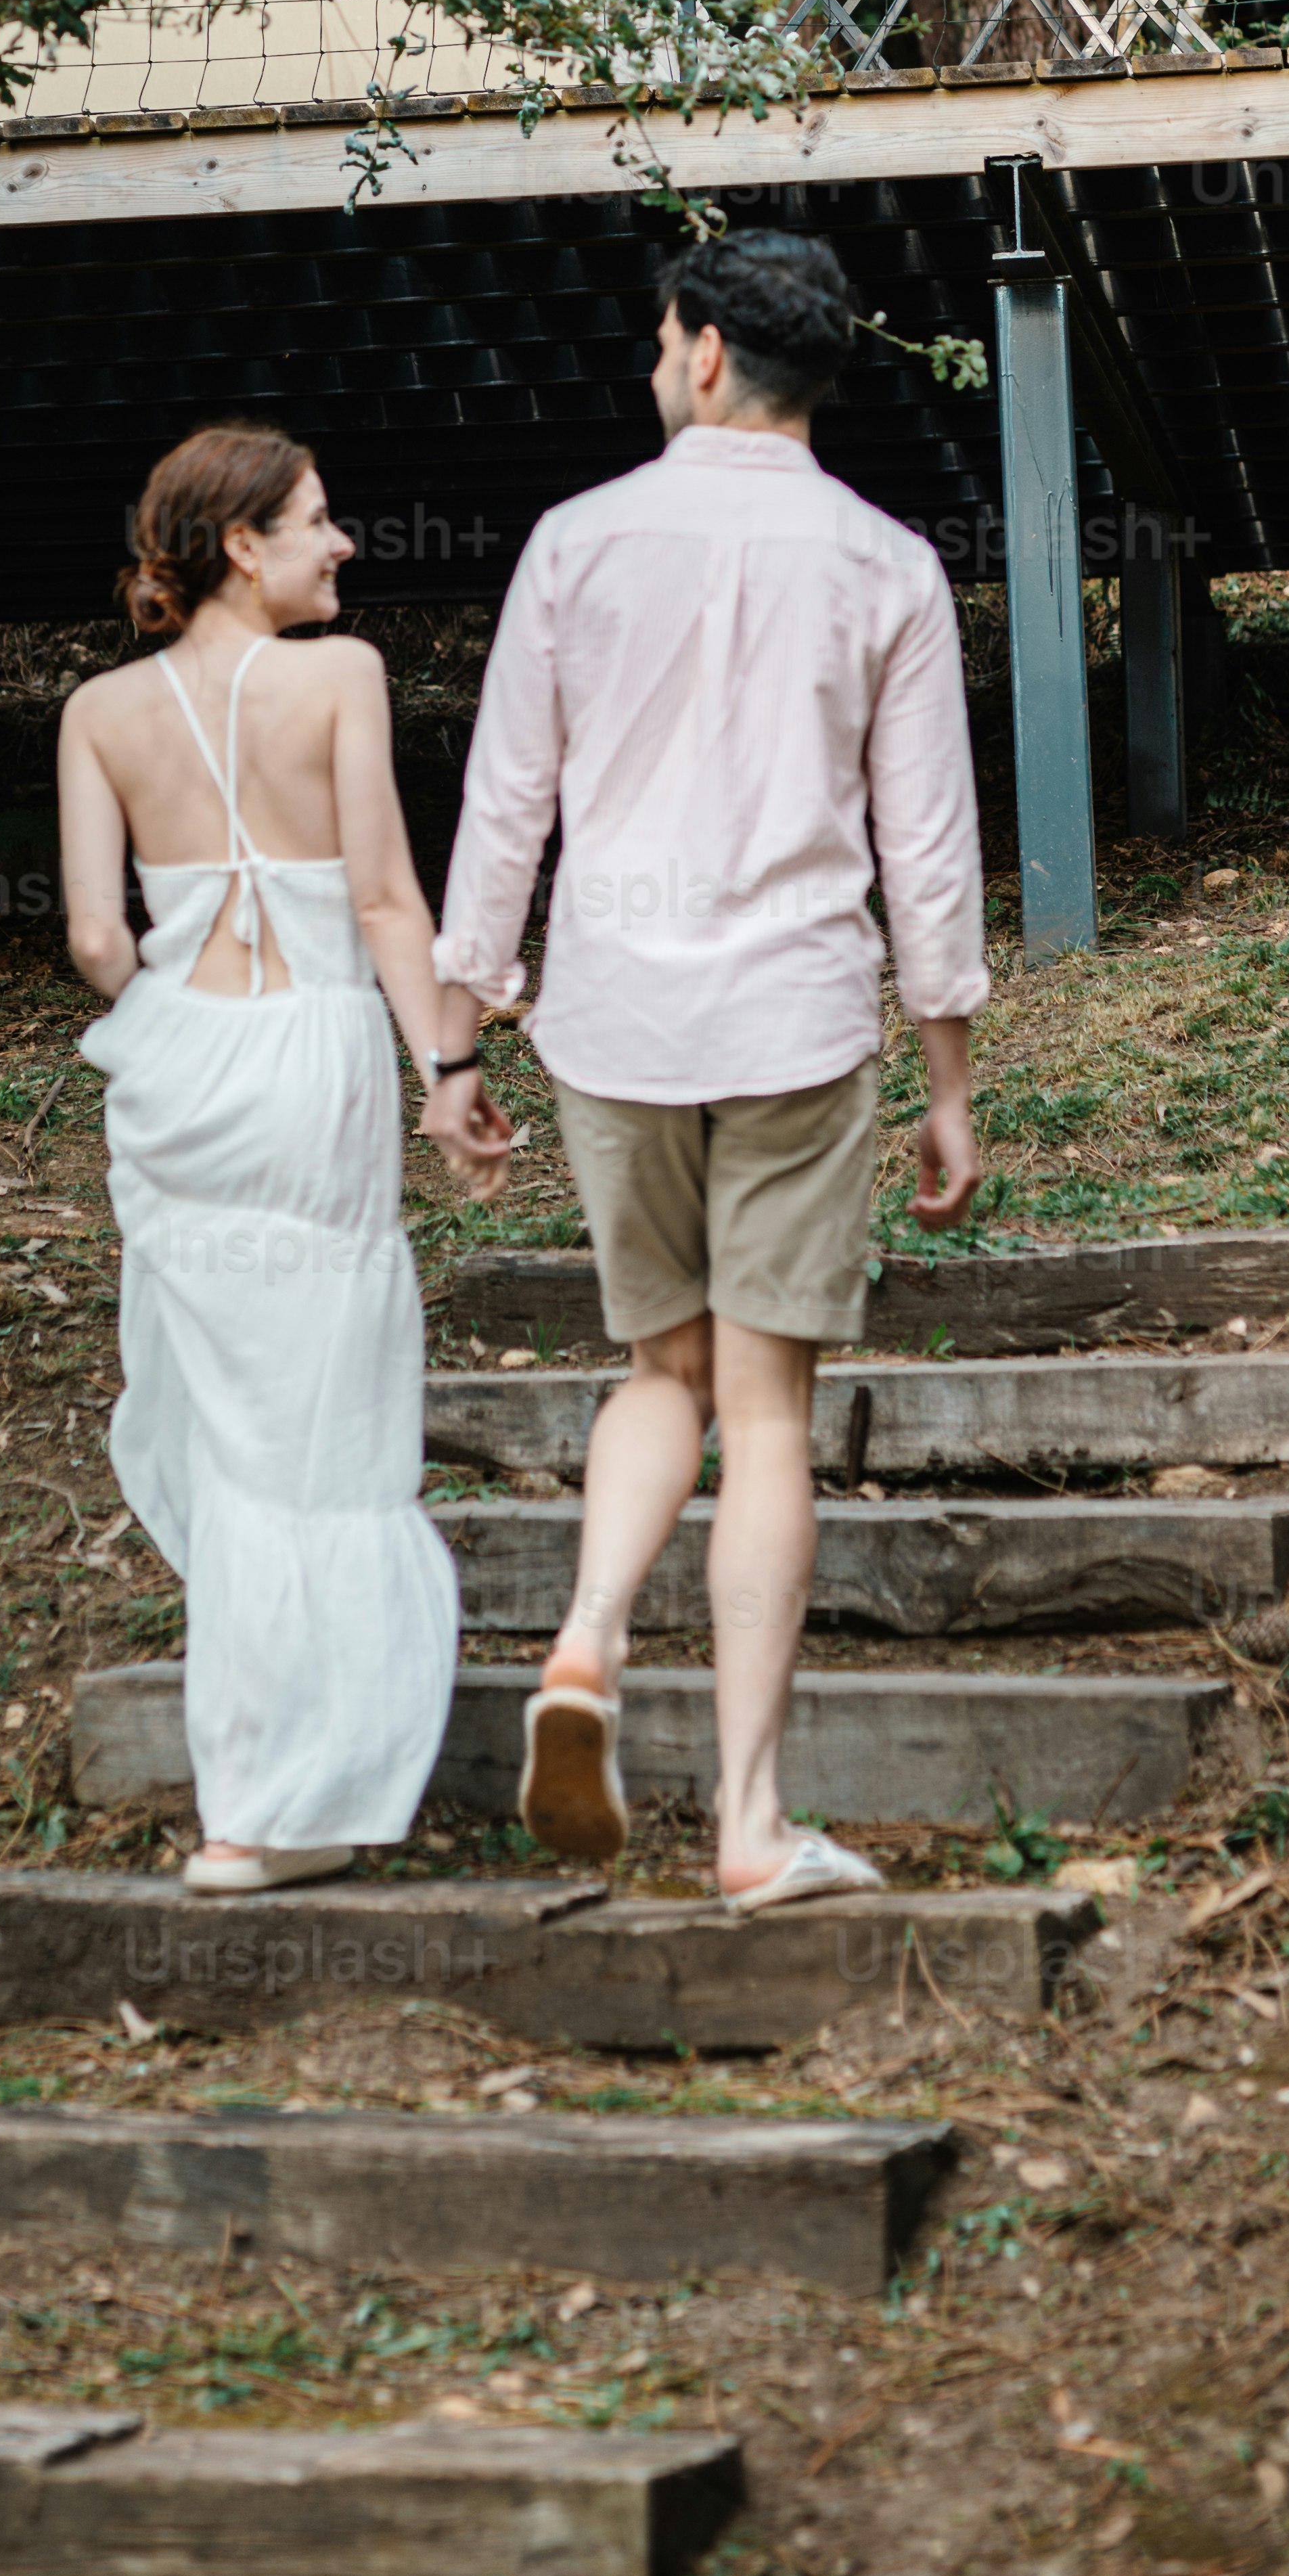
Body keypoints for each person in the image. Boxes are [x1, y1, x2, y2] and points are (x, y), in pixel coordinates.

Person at [423, 225, 987, 1911]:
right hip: (793, 1022)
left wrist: (457, 1034)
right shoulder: (886, 565)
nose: (651, 363)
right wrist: (948, 1076)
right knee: (766, 1413)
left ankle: (587, 1642)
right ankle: (746, 1822)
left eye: (660, 340)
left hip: (616, 1022)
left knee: (658, 1375)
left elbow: (506, 802)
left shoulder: (575, 542)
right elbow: (928, 847)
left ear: (707, 352)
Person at [59, 422, 482, 1895]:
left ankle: (244, 1812)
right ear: (241, 545)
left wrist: (176, 1023)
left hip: (180, 1074)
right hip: (312, 1063)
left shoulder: (99, 711)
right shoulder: (342, 676)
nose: (343, 542)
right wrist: (448, 1070)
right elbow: (383, 901)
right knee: (326, 1434)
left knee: (238, 1444)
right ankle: (302, 1797)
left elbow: (96, 940)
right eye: (317, 520)